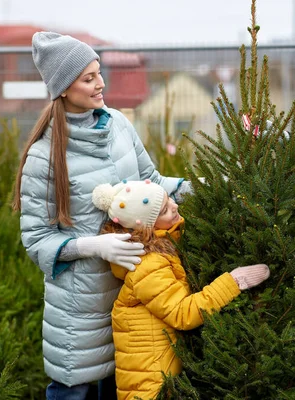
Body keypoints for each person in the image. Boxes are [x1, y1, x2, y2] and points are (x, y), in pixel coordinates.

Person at [13, 32, 193, 399]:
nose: (101, 84)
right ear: (63, 88)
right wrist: (95, 245)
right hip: (79, 309)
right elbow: (36, 241)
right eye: (88, 78)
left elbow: (154, 184)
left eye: (99, 73)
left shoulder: (119, 126)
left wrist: (214, 184)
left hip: (131, 296)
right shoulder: (44, 157)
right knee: (75, 391)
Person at [91, 179, 270, 399]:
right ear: (148, 226)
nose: (175, 206)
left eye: (169, 200)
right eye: (165, 209)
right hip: (151, 387)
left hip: (162, 377)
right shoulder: (148, 264)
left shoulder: (161, 247)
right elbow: (182, 314)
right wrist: (233, 281)